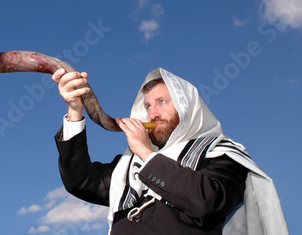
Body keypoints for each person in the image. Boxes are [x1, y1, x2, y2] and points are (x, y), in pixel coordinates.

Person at [52, 67, 288, 234]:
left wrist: (146, 153)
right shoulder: (129, 165)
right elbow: (81, 182)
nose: (152, 113)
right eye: (147, 106)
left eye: (162, 102)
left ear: (187, 108)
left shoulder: (221, 154)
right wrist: (75, 112)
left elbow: (208, 203)